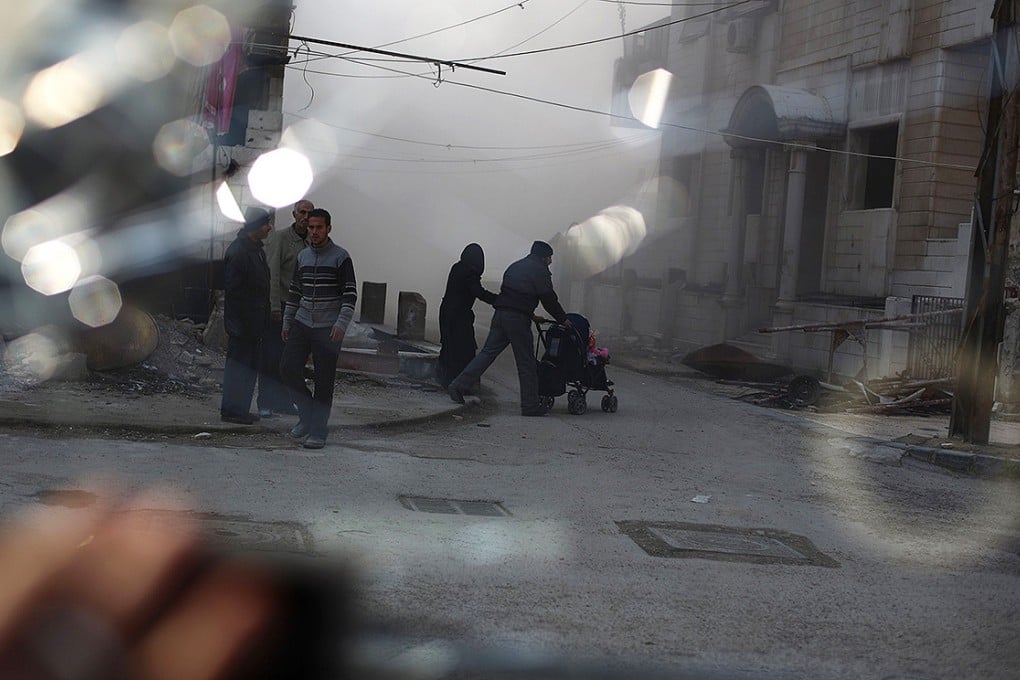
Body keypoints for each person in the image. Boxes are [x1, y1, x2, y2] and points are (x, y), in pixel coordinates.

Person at [447, 240, 569, 416]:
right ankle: (530, 405)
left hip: (501, 315)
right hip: (518, 320)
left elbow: (513, 296)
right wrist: (563, 319)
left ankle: (457, 386)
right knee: (526, 363)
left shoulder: (515, 266)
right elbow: (548, 299)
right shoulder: (540, 271)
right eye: (550, 258)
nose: (551, 261)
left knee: (487, 353)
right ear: (543, 257)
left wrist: (532, 315)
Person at [280, 208, 357, 449]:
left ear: (328, 229)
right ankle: (306, 415)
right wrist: (287, 321)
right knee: (287, 368)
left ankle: (317, 431)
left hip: (328, 328)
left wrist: (341, 323)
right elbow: (294, 292)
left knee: (324, 380)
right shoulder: (302, 257)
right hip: (302, 323)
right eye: (311, 227)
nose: (314, 232)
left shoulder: (340, 257)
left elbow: (350, 294)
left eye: (319, 227)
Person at [258, 199, 313, 418]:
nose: (306, 217)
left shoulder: (312, 242)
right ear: (294, 214)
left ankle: (284, 401)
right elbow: (273, 274)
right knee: (271, 356)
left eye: (310, 213)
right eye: (302, 212)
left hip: (301, 310)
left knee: (292, 359)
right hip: (280, 305)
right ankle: (265, 401)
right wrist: (273, 307)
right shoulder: (281, 238)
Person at [220, 207, 273, 425]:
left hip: (254, 323)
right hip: (242, 325)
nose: (269, 227)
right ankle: (232, 410)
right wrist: (238, 324)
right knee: (238, 368)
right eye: (265, 224)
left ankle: (240, 408)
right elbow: (234, 294)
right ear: (254, 226)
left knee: (249, 368)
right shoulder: (239, 252)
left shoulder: (256, 250)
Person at [437, 243, 498, 388]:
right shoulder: (470, 272)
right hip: (459, 316)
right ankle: (460, 383)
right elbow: (478, 292)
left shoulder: (457, 267)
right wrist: (498, 300)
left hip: (447, 312)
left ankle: (446, 378)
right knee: (464, 349)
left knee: (449, 346)